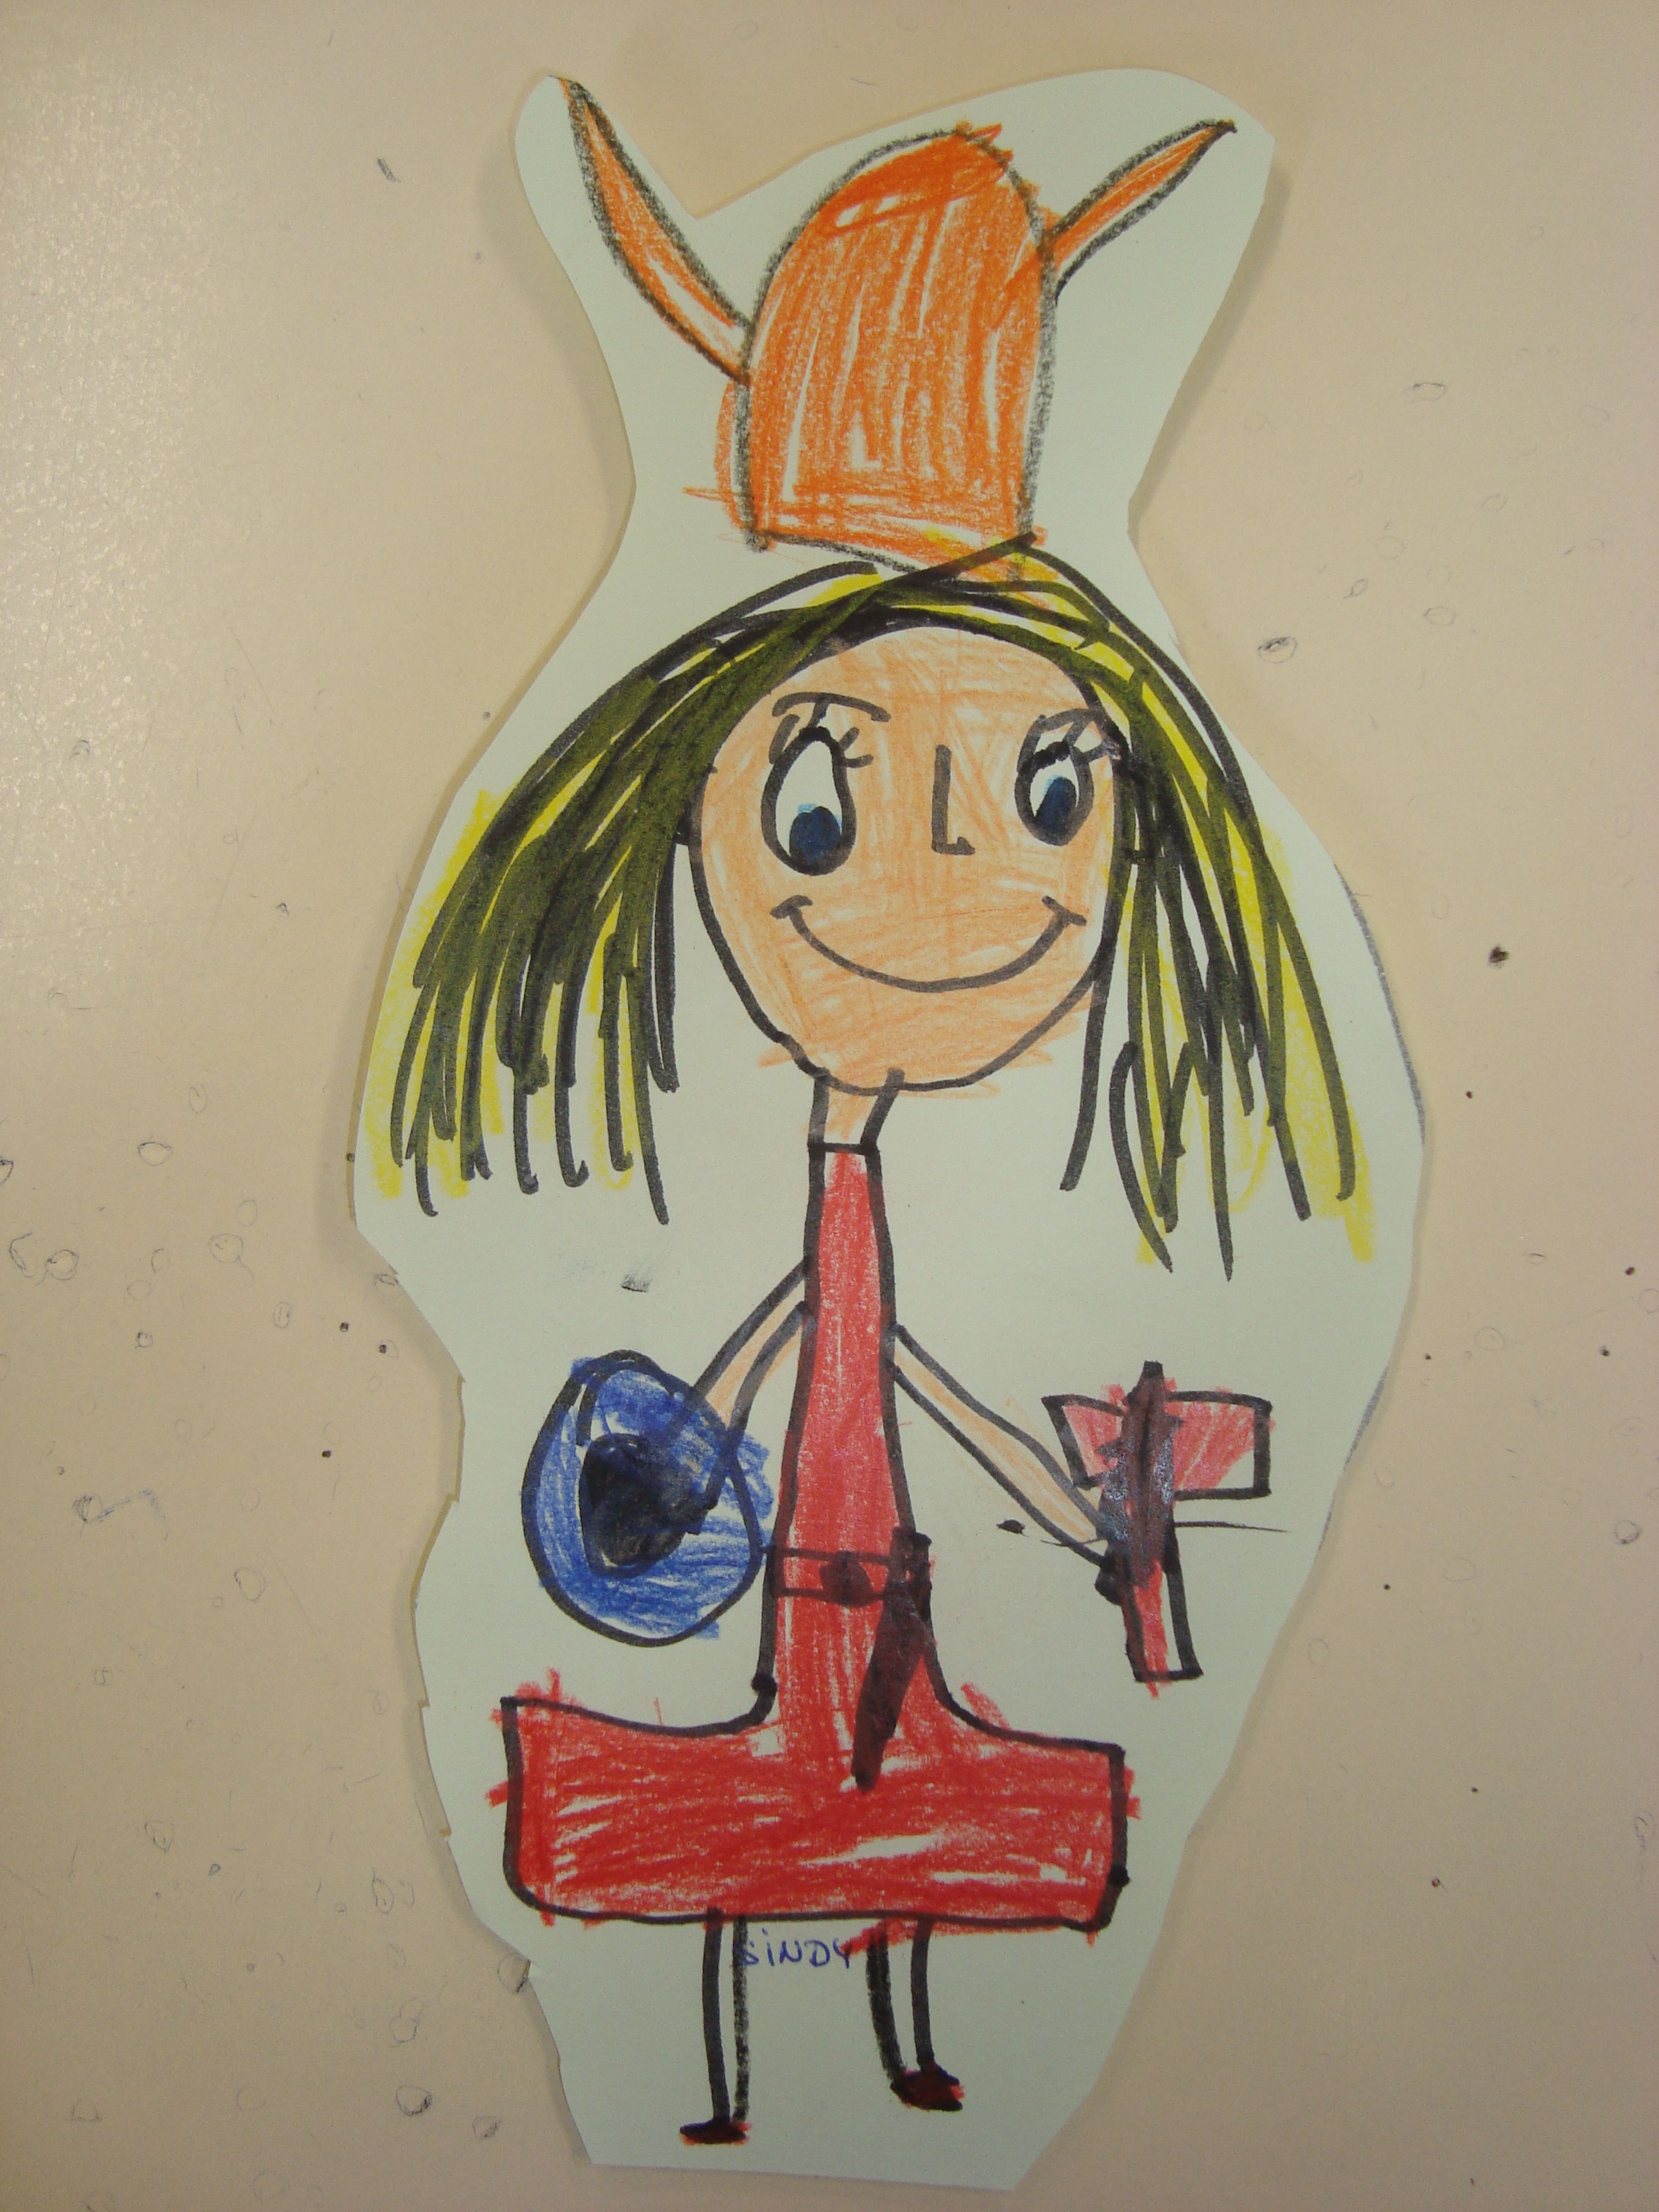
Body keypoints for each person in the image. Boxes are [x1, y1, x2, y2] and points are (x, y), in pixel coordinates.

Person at [385, 92, 1357, 2142]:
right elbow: (830, 1344)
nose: (967, 901)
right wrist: (700, 1428)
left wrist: (1040, 1480)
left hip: (886, 1591)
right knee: (778, 1821)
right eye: (822, 816)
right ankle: (742, 2076)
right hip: (804, 1594)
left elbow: (878, 1353)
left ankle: (895, 2047)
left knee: (899, 1802)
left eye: (1051, 800)